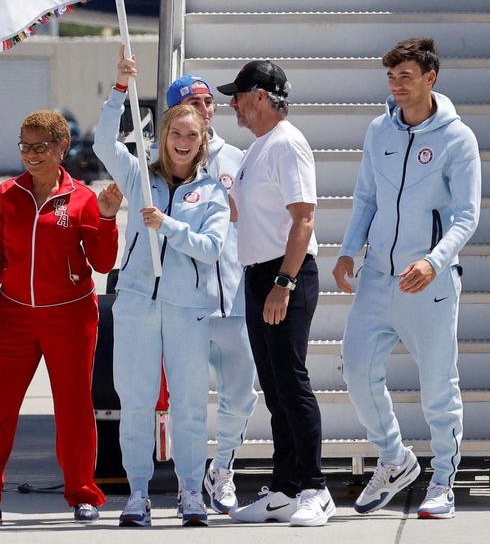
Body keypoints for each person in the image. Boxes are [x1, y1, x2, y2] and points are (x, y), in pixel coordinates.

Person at [333, 37, 481, 519]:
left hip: (429, 283)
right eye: (392, 77)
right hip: (378, 276)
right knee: (355, 370)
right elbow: (366, 199)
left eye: (406, 77)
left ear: (430, 78)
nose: (397, 86)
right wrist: (349, 250)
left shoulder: (457, 138)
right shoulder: (380, 131)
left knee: (438, 385)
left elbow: (466, 215)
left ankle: (443, 482)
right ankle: (395, 459)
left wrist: (434, 261)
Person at [0, 110, 122, 526]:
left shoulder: (81, 198)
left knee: (74, 407)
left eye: (39, 147)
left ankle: (83, 493)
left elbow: (102, 264)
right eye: (24, 146)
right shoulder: (7, 194)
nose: (30, 155)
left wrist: (106, 217)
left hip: (70, 317)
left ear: (61, 149)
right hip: (14, 317)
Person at [93, 47, 230, 528]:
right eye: (176, 133)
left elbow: (212, 248)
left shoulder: (213, 190)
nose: (183, 141)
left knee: (190, 404)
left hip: (188, 308)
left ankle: (192, 492)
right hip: (136, 304)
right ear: (164, 135)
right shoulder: (138, 177)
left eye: (192, 135)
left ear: (203, 139)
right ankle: (137, 495)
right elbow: (101, 145)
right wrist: (118, 91)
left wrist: (167, 225)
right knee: (135, 401)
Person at [217, 60, 335, 527]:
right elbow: (246, 212)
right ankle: (285, 488)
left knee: (291, 382)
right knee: (274, 388)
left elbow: (303, 218)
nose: (233, 105)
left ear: (260, 97)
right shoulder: (258, 149)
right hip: (258, 273)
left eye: (239, 96)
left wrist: (283, 284)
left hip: (286, 275)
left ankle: (314, 487)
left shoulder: (288, 144)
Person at [161, 74, 257, 514]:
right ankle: (189, 481)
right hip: (188, 303)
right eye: (194, 102)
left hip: (234, 298)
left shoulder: (238, 158)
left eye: (208, 102)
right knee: (188, 399)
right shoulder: (162, 161)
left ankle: (222, 469)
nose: (205, 108)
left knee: (240, 393)